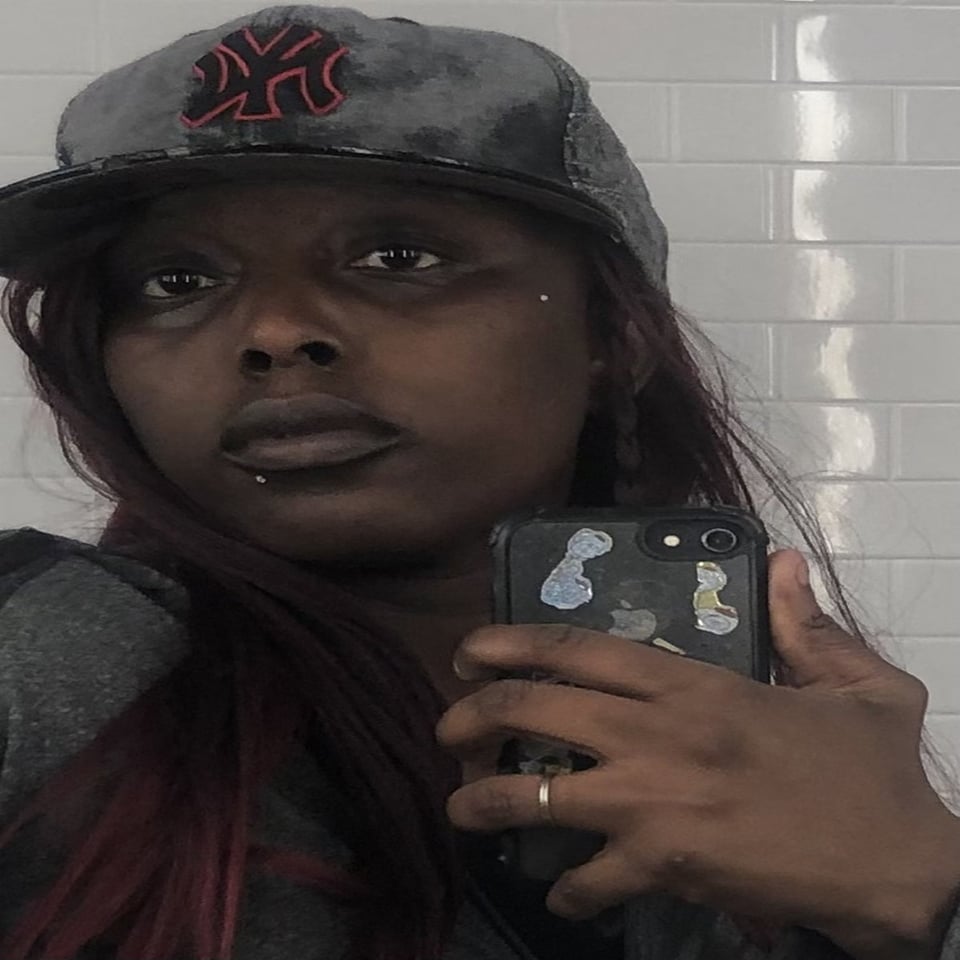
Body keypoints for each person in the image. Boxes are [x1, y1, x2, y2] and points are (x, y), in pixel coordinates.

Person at [0, 6, 957, 959]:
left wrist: (923, 889)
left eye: (399, 258)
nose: (276, 332)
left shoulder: (787, 769)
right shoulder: (52, 657)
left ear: (612, 338)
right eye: (175, 282)